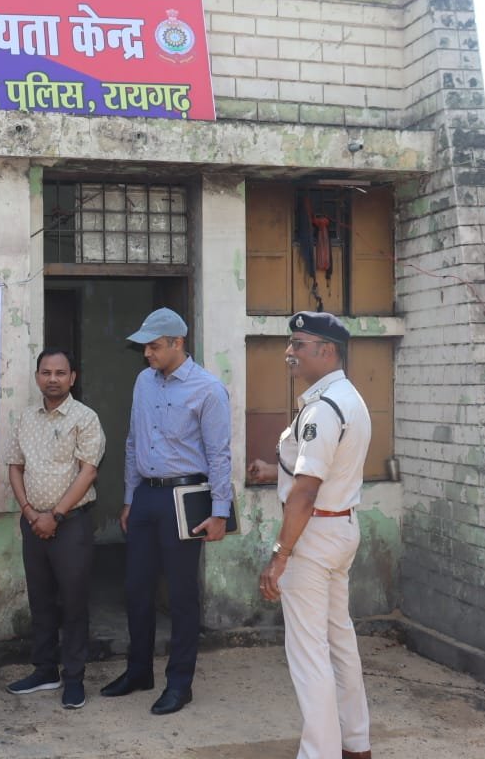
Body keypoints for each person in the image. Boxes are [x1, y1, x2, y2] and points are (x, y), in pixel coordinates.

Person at [247, 311, 372, 759]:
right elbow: (316, 469)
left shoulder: (323, 408)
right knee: (339, 642)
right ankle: (355, 744)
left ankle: (320, 753)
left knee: (308, 653)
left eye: (298, 344)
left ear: (327, 350)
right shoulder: (347, 397)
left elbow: (305, 491)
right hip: (340, 526)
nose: (289, 352)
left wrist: (281, 554)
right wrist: (273, 470)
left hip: (313, 533)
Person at [101, 307, 232, 716]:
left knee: (181, 594)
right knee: (136, 588)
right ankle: (139, 670)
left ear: (178, 343)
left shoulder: (208, 389)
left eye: (154, 346)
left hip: (185, 498)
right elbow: (132, 442)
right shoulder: (144, 382)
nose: (147, 354)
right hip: (146, 497)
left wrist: (220, 512)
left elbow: (219, 454)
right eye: (145, 347)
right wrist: (129, 498)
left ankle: (180, 683)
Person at [5, 349, 106, 710]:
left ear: (72, 378)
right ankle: (45, 670)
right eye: (46, 372)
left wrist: (56, 516)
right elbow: (15, 466)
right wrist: (30, 513)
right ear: (37, 377)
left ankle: (74, 678)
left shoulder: (85, 418)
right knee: (41, 599)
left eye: (60, 373)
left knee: (73, 601)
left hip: (71, 523)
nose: (53, 379)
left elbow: (88, 471)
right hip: (33, 522)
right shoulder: (26, 418)